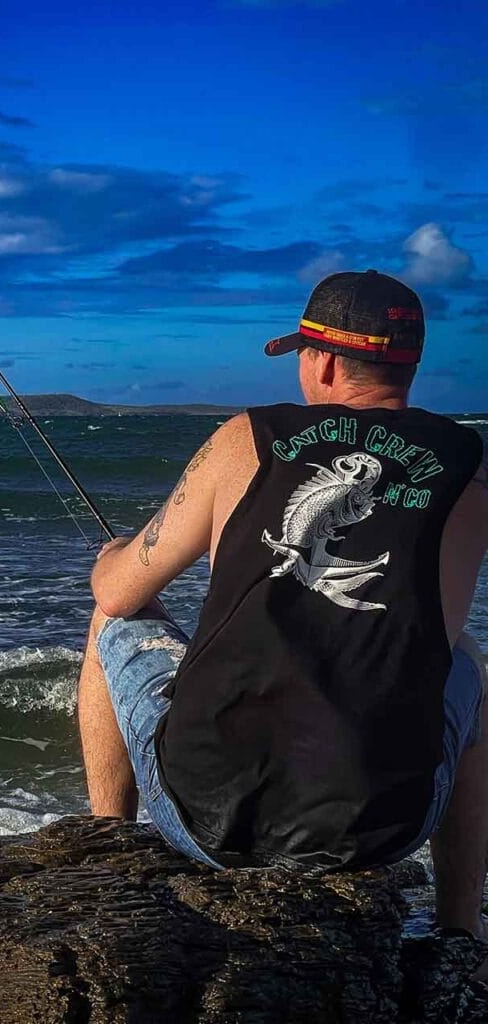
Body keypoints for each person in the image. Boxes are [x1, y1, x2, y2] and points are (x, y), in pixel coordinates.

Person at [77, 269, 488, 962]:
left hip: (206, 824)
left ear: (323, 360)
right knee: (470, 663)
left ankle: (107, 846)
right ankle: (460, 929)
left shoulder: (245, 437)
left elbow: (119, 593)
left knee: (108, 622)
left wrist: (114, 552)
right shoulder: (472, 465)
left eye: (302, 352)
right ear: (410, 361)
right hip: (385, 830)